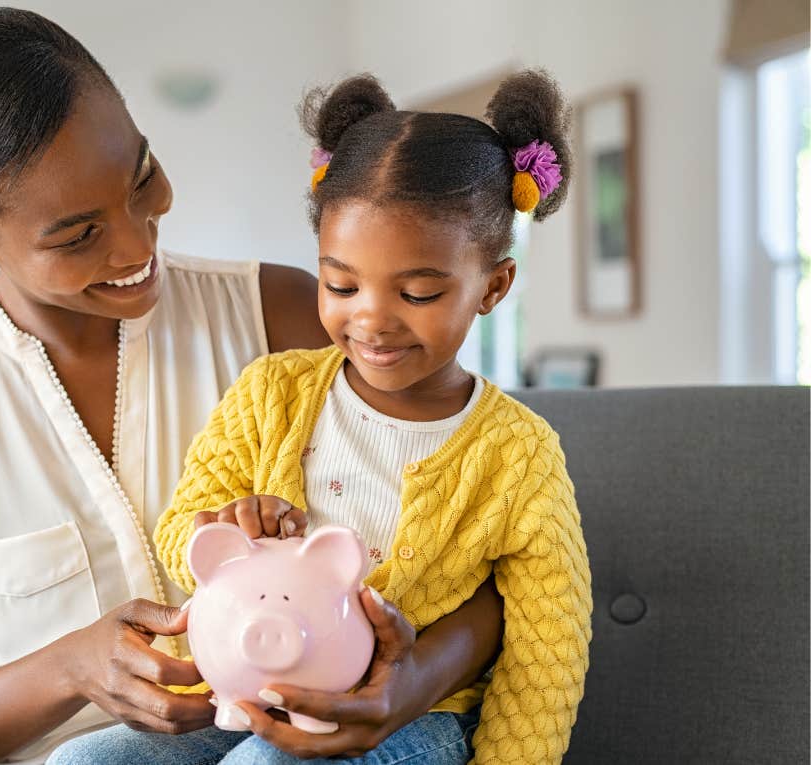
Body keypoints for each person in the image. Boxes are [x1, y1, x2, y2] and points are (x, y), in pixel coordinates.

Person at [0, 9, 506, 763]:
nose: (137, 242)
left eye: (142, 177)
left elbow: (483, 543)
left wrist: (413, 680)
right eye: (77, 234)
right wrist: (72, 667)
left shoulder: (283, 315)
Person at [55, 69, 591, 764]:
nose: (370, 318)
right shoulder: (272, 391)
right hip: (250, 692)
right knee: (82, 761)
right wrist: (223, 522)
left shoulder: (519, 454)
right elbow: (183, 527)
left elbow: (549, 648)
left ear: (493, 286)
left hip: (414, 719)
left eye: (419, 292)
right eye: (341, 283)